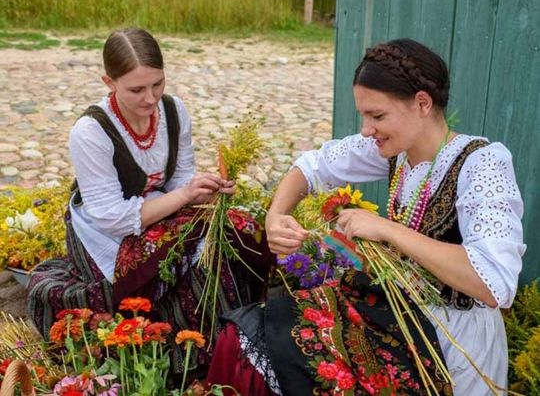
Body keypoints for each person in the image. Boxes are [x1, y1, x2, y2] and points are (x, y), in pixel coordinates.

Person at [206, 38, 525, 395]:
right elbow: (312, 167)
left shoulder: (481, 164)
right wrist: (275, 216)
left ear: (422, 103)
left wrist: (387, 230)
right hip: (399, 314)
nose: (366, 129)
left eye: (377, 115)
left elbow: (494, 282)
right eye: (364, 115)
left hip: (454, 342)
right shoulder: (396, 152)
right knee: (253, 334)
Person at [27, 28, 270, 374]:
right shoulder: (91, 131)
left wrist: (202, 188)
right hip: (106, 226)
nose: (150, 98)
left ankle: (234, 341)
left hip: (161, 205)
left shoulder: (173, 112)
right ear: (108, 82)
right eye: (136, 89)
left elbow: (181, 176)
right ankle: (180, 356)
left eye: (158, 84)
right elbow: (113, 216)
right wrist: (184, 197)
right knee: (172, 265)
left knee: (235, 232)